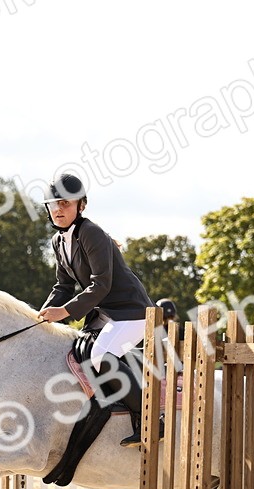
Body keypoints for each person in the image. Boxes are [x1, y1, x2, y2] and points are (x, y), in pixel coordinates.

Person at [36, 173, 156, 447]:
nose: (57, 210)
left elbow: (101, 285)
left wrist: (64, 312)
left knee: (100, 355)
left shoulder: (91, 232)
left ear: (82, 205)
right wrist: (40, 315)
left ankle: (149, 420)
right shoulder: (58, 242)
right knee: (76, 352)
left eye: (65, 204)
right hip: (105, 314)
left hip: (131, 311)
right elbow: (63, 285)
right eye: (52, 204)